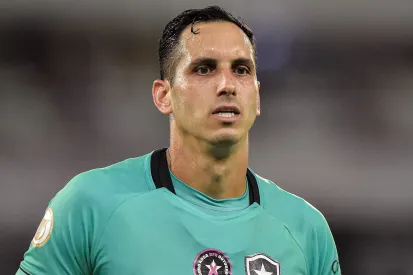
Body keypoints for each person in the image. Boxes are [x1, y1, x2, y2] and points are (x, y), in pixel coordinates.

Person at [16, 6, 341, 275]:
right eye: (204, 69)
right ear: (163, 96)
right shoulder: (90, 205)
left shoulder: (306, 230)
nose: (227, 84)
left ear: (257, 97)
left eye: (241, 70)